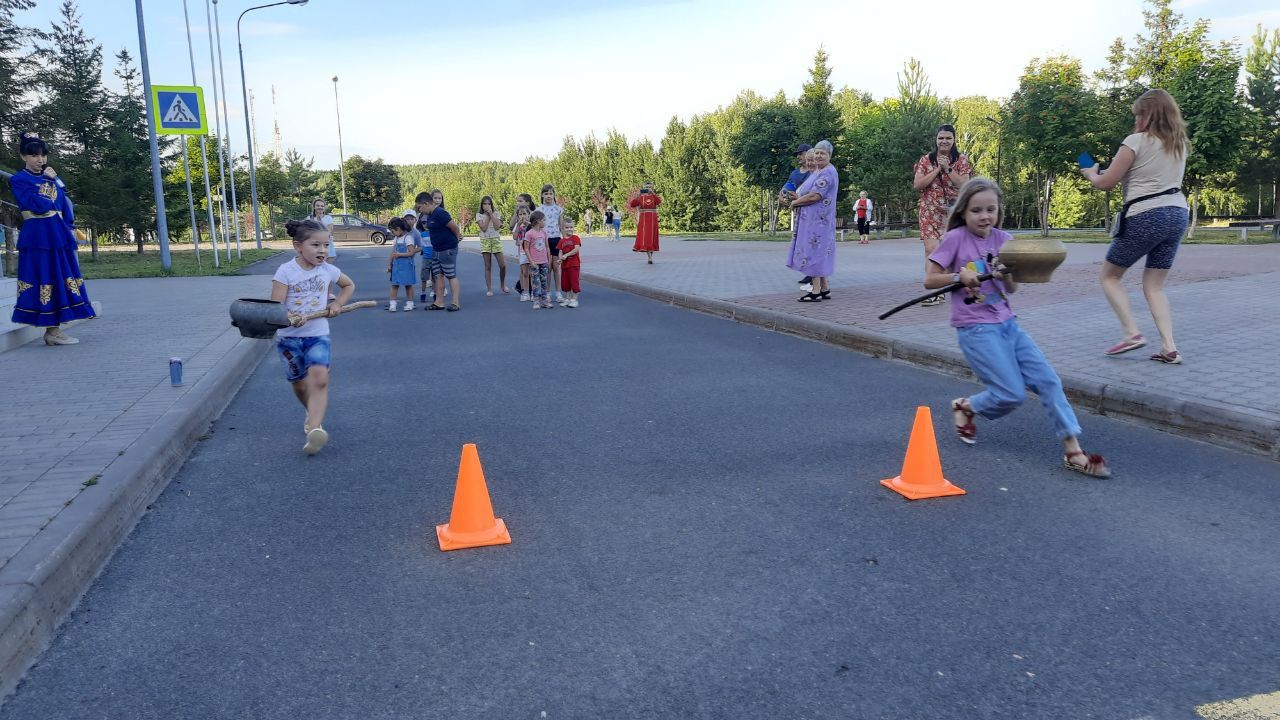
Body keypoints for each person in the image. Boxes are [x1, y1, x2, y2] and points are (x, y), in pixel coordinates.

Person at [926, 177, 1110, 478]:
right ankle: (966, 406)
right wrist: (958, 277)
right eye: (976, 210)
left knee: (1049, 381)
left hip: (1008, 324)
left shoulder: (1005, 240)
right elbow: (929, 280)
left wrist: (1007, 272)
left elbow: (1010, 290)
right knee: (1011, 394)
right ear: (963, 212)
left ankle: (1073, 451)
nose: (985, 216)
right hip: (976, 328)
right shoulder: (955, 239)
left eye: (990, 209)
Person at [1080, 88, 1190, 365]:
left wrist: (1091, 174)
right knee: (1154, 286)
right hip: (1177, 213)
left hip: (1146, 215)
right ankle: (1169, 347)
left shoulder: (1135, 141)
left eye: (1138, 114)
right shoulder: (1179, 144)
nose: (1136, 120)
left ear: (1147, 114)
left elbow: (1106, 183)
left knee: (1110, 276)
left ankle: (1132, 333)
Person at [270, 218, 355, 455]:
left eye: (326, 246)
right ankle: (310, 412)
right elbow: (275, 306)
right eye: (316, 245)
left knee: (320, 379)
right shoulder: (286, 271)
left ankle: (315, 428)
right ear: (298, 246)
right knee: (298, 383)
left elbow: (348, 286)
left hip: (318, 334)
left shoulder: (328, 270)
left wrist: (337, 303)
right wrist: (289, 315)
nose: (323, 251)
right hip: (289, 338)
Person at [8, 132, 95, 344]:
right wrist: (48, 181)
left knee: (60, 276)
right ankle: (52, 331)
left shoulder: (52, 178)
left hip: (57, 233)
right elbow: (38, 205)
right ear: (23, 157)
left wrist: (69, 228)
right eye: (35, 156)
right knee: (43, 277)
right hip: (38, 235)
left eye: (43, 155)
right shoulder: (19, 179)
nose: (40, 160)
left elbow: (63, 204)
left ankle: (54, 331)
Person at [913, 124, 973, 306]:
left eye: (948, 138)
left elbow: (964, 184)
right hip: (929, 210)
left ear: (954, 140)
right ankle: (934, 291)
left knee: (948, 252)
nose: (944, 141)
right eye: (941, 138)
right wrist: (937, 169)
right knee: (932, 250)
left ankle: (944, 287)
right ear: (936, 140)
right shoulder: (926, 160)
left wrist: (948, 169)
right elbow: (918, 185)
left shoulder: (961, 160)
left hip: (953, 212)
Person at [786, 140, 839, 302]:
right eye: (816, 153)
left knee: (815, 253)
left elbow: (816, 195)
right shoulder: (819, 171)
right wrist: (797, 197)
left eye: (822, 153)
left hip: (818, 222)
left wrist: (795, 202)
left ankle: (815, 291)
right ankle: (824, 288)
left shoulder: (827, 173)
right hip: (813, 220)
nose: (818, 156)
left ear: (829, 155)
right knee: (820, 253)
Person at [416, 191, 464, 311]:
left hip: (447, 249)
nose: (419, 210)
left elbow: (454, 227)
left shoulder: (440, 213)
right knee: (438, 275)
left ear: (426, 203)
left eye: (420, 207)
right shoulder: (430, 215)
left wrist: (456, 240)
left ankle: (455, 303)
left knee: (451, 275)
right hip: (436, 250)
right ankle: (439, 302)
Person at [782, 144, 814, 287]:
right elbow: (786, 189)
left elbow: (815, 194)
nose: (798, 156)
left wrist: (798, 197)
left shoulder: (815, 172)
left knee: (813, 244)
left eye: (801, 153)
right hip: (801, 214)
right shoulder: (795, 173)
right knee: (803, 244)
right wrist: (782, 197)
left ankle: (816, 277)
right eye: (798, 154)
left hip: (814, 214)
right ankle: (809, 273)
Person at [537, 184, 566, 302]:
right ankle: (547, 291)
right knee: (547, 267)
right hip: (544, 240)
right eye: (546, 193)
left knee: (557, 267)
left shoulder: (558, 209)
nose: (549, 196)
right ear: (542, 195)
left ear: (554, 195)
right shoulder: (539, 210)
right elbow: (536, 227)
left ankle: (558, 292)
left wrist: (565, 240)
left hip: (556, 239)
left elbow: (561, 225)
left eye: (551, 193)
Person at [476, 195, 508, 296]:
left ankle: (502, 285)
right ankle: (489, 289)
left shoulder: (496, 213)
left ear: (491, 205)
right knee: (488, 266)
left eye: (489, 204)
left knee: (502, 265)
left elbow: (497, 226)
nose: (487, 205)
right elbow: (484, 228)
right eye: (485, 204)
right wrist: (487, 216)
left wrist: (491, 214)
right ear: (482, 205)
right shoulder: (479, 215)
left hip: (495, 240)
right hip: (485, 240)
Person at [385, 217, 418, 311]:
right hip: (396, 265)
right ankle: (392, 304)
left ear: (398, 229)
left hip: (406, 265)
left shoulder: (408, 238)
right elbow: (392, 253)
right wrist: (389, 265)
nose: (392, 234)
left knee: (408, 284)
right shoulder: (396, 239)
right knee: (394, 284)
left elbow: (411, 252)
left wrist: (399, 254)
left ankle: (410, 303)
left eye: (393, 231)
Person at [524, 210, 552, 309]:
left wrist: (549, 259)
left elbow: (547, 247)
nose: (545, 222)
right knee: (536, 282)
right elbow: (526, 248)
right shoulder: (529, 234)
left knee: (544, 281)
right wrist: (531, 261)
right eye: (544, 220)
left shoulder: (544, 233)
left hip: (544, 261)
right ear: (538, 221)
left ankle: (545, 300)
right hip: (534, 262)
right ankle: (536, 301)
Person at [629, 180, 661, 263]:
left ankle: (650, 256)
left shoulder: (654, 197)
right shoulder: (641, 197)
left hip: (653, 219)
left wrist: (653, 193)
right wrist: (638, 195)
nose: (648, 189)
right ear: (644, 188)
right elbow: (632, 204)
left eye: (650, 187)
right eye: (647, 187)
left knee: (652, 237)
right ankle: (649, 257)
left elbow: (659, 202)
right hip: (644, 220)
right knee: (646, 237)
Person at [556, 218, 582, 307]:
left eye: (571, 227)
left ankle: (574, 300)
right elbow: (560, 252)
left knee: (574, 282)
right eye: (567, 227)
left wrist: (566, 255)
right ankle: (568, 299)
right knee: (566, 283)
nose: (569, 229)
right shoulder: (561, 241)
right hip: (565, 266)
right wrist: (560, 260)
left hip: (574, 265)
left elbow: (576, 249)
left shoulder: (575, 238)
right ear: (563, 229)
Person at [513, 206, 532, 301]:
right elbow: (514, 237)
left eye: (524, 214)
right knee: (524, 273)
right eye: (520, 214)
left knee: (532, 273)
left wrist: (528, 224)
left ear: (529, 215)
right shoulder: (518, 226)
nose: (522, 216)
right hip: (523, 252)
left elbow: (535, 231)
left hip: (532, 252)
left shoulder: (531, 225)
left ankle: (533, 292)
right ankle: (525, 292)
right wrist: (518, 225)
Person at [309, 198, 337, 264]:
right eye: (318, 205)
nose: (320, 207)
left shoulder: (328, 218)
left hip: (327, 246)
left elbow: (329, 231)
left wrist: (320, 219)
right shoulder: (310, 218)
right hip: (314, 247)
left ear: (324, 208)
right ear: (314, 207)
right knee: (315, 268)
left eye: (322, 206)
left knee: (328, 269)